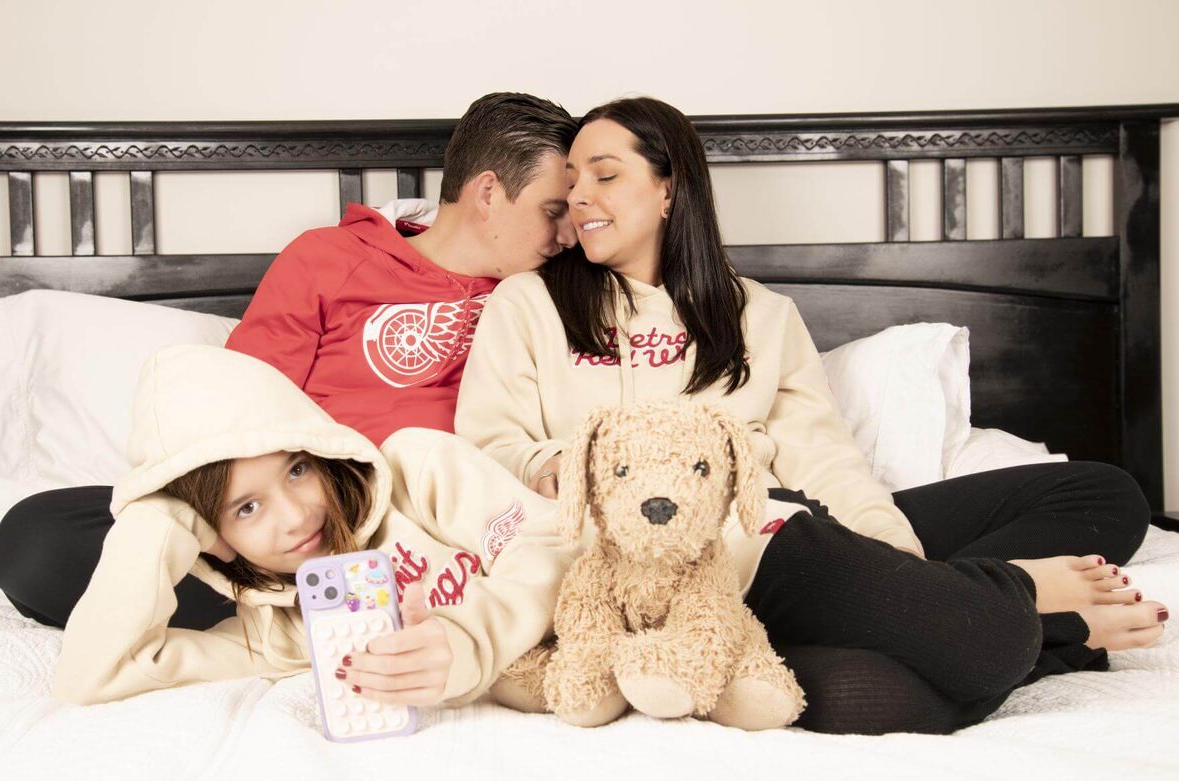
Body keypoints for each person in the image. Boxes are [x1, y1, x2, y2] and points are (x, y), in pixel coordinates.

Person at [454, 96, 1168, 733]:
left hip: (781, 534)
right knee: (915, 670)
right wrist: (562, 471)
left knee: (1103, 494)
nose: (580, 198)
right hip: (672, 568)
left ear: (669, 188)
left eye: (604, 175)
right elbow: (487, 442)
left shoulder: (760, 315)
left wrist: (896, 554)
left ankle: (941, 606)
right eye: (572, 181)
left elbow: (823, 458)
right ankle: (1038, 613)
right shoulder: (531, 303)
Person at [0, 92, 579, 633]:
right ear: (487, 192)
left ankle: (327, 612)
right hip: (296, 523)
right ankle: (315, 606)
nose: (568, 235)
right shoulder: (330, 258)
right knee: (34, 538)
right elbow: (238, 408)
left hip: (447, 525)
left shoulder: (555, 295)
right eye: (553, 210)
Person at [54, 344, 577, 707]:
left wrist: (467, 641)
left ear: (323, 450)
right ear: (216, 538)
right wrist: (161, 521)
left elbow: (557, 544)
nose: (298, 516)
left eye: (297, 471)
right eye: (246, 509)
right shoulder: (277, 637)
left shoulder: (419, 471)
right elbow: (91, 677)